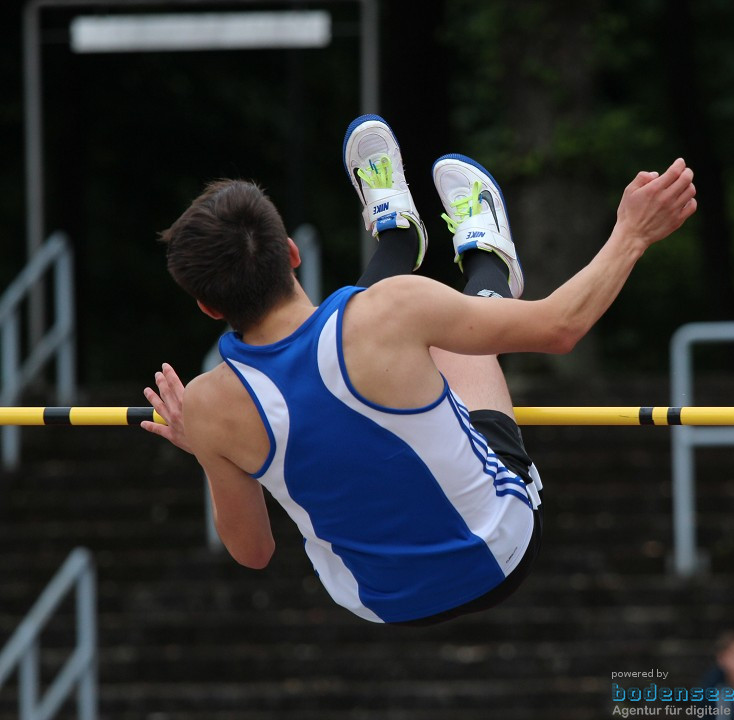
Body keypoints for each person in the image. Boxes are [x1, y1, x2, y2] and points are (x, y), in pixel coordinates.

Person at [141, 114, 697, 625]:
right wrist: (632, 234)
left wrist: (209, 449)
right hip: (500, 549)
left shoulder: (206, 406)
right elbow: (560, 327)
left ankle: (400, 237)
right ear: (291, 253)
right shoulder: (394, 310)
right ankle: (487, 266)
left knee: (384, 331)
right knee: (441, 342)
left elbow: (253, 553)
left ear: (209, 308)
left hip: (380, 602)